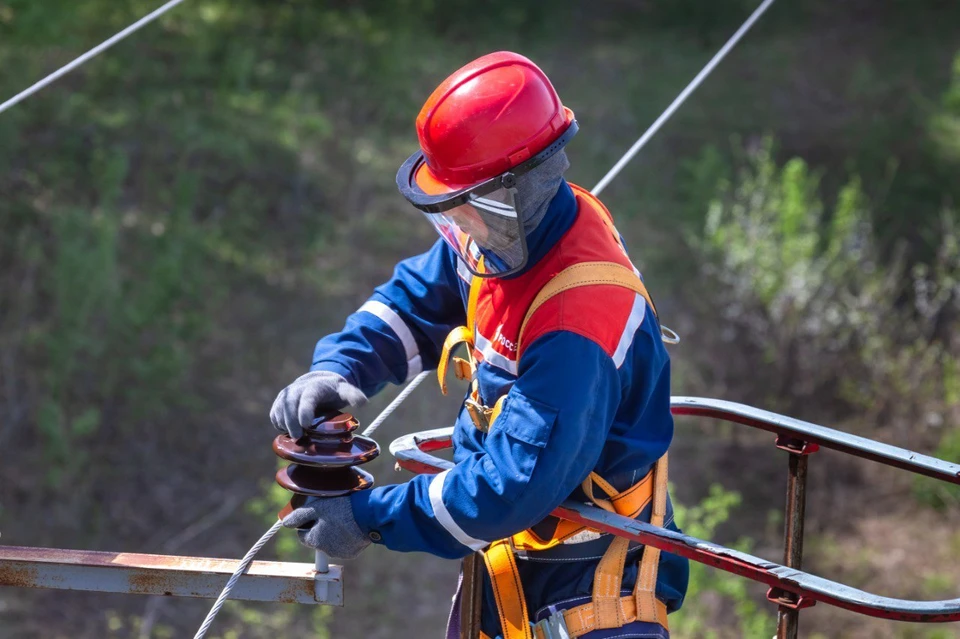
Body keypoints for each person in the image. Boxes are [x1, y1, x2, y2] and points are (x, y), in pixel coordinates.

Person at [270, 51, 689, 639]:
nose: (456, 227)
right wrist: (340, 368)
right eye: (448, 208)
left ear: (515, 189)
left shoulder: (577, 323)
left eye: (464, 207)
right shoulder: (500, 235)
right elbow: (416, 298)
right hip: (511, 563)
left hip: (595, 596)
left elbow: (511, 484)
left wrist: (369, 517)